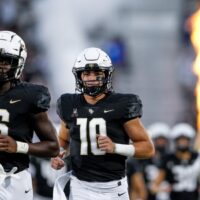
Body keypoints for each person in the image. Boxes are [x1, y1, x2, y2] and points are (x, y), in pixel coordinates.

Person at [51, 47, 155, 200]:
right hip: (80, 186)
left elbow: (147, 148)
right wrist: (59, 153)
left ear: (107, 75)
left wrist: (115, 147)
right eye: (86, 74)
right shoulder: (69, 103)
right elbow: (64, 140)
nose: (92, 78)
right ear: (79, 76)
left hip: (113, 189)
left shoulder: (122, 104)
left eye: (97, 73)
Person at [0, 30, 59, 200]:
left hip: (14, 180)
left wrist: (18, 146)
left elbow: (53, 147)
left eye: (6, 61)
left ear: (18, 63)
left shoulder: (29, 96)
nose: (1, 66)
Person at [151, 123, 200, 200]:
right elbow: (154, 186)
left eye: (185, 139)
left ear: (190, 141)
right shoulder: (168, 159)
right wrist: (162, 190)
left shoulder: (197, 157)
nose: (182, 142)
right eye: (180, 140)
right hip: (174, 196)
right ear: (175, 141)